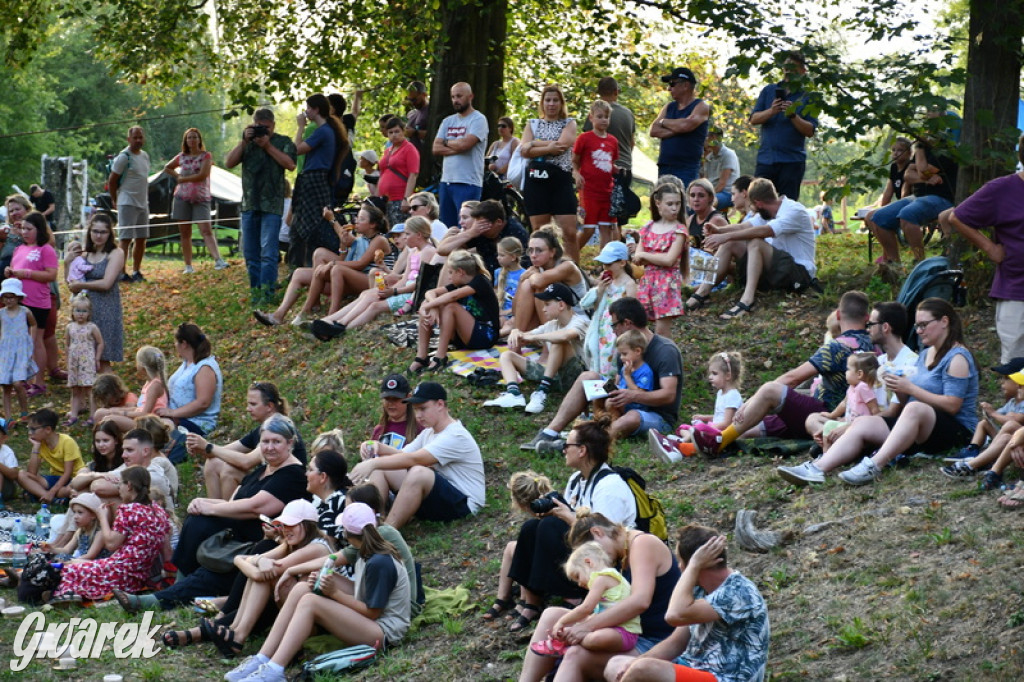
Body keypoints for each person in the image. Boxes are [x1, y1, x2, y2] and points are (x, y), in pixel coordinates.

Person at [114, 414, 309, 613]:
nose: (269, 447)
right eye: (265, 442)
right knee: (198, 522)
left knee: (209, 567)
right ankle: (175, 585)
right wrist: (202, 502)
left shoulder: (293, 474)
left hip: (259, 542)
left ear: (290, 443)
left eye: (276, 442)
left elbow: (255, 507)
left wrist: (211, 508)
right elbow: (233, 502)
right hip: (235, 535)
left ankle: (159, 598)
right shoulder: (264, 469)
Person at [792, 298, 979, 486]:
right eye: (917, 326)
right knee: (864, 422)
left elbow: (953, 405)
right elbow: (908, 400)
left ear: (944, 322)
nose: (919, 331)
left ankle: (874, 464)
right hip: (923, 428)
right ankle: (817, 468)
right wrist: (899, 389)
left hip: (957, 431)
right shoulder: (925, 354)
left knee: (915, 408)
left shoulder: (957, 357)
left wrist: (910, 388)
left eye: (924, 325)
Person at [222, 502, 411, 682]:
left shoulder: (379, 562)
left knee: (310, 602)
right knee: (303, 588)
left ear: (346, 532)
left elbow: (373, 612)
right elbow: (330, 563)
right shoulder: (363, 548)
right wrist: (309, 578)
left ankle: (275, 669)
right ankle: (262, 658)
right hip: (371, 620)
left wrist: (334, 593)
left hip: (385, 632)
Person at [694, 291, 873, 458]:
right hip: (856, 411)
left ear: (839, 316)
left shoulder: (837, 346)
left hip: (829, 413)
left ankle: (720, 441)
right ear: (866, 318)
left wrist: (749, 402)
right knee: (759, 420)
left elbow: (792, 379)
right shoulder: (874, 345)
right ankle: (694, 443)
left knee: (771, 391)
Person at [504, 418, 637, 634]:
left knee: (549, 527)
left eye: (567, 445)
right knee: (532, 527)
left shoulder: (609, 486)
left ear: (582, 450)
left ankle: (573, 597)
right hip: (584, 548)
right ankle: (532, 600)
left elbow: (607, 539)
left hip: (611, 559)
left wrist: (568, 517)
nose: (563, 449)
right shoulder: (577, 479)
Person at [518, 509, 681, 681]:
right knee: (551, 615)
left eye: (592, 550)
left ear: (598, 532)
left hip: (655, 640)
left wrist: (587, 627)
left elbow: (639, 601)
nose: (595, 559)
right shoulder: (618, 555)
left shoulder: (642, 543)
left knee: (576, 654)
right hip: (627, 630)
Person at [165, 499, 330, 657]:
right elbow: (242, 560)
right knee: (264, 570)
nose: (285, 529)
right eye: (283, 524)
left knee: (268, 576)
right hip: (292, 609)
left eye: (291, 524)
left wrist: (257, 563)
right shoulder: (291, 544)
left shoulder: (316, 547)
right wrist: (258, 560)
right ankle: (235, 631)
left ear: (308, 525)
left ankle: (233, 633)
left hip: (312, 621)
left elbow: (260, 572)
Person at [604, 525, 770, 682]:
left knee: (643, 669)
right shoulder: (700, 589)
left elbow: (673, 615)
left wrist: (694, 565)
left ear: (701, 562)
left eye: (681, 561)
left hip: (726, 677)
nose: (679, 566)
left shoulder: (738, 591)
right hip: (693, 666)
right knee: (617, 664)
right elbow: (676, 642)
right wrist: (634, 663)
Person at [522, 297, 682, 451]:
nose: (613, 331)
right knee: (588, 377)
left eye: (614, 326)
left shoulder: (665, 350)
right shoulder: (625, 349)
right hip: (626, 405)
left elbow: (668, 395)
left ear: (627, 323)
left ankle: (579, 446)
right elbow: (620, 382)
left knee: (633, 416)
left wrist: (633, 396)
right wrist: (603, 394)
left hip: (657, 415)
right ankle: (549, 433)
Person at [349, 381, 485, 530]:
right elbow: (403, 454)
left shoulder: (455, 435)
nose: (418, 416)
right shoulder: (429, 432)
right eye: (415, 410)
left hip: (464, 504)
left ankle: (386, 533)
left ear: (440, 405)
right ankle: (369, 524)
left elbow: (414, 459)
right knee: (383, 468)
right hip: (439, 498)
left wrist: (372, 463)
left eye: (423, 409)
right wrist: (378, 447)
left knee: (418, 472)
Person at [941, 135, 1024, 363]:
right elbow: (957, 217)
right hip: (1017, 288)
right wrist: (990, 248)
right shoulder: (1003, 189)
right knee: (1017, 364)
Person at [686, 177, 816, 321]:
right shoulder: (767, 212)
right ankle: (701, 293)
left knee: (756, 242)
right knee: (730, 243)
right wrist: (719, 230)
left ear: (758, 203)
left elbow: (765, 231)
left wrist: (727, 236)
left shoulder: (794, 211)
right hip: (775, 272)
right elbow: (744, 226)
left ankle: (747, 300)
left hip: (799, 274)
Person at [50, 467, 171, 605]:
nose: (118, 489)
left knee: (66, 570)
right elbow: (167, 552)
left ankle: (65, 595)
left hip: (120, 573)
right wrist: (168, 579)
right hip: (139, 578)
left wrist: (102, 517)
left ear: (129, 486)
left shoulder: (129, 510)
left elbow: (112, 544)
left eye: (120, 484)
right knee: (74, 564)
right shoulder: (159, 511)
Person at [310, 216, 437, 339]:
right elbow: (404, 279)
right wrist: (388, 292)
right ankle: (330, 321)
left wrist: (394, 291)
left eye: (407, 234)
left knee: (374, 305)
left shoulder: (428, 252)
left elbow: (421, 283)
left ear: (419, 235)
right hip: (404, 289)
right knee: (368, 293)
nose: (405, 237)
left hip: (413, 295)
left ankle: (341, 327)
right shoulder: (413, 252)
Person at [224, 108, 298, 307]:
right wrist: (244, 141)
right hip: (249, 203)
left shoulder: (283, 142)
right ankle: (256, 292)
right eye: (258, 127)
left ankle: (268, 292)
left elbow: (290, 165)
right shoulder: (247, 142)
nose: (262, 131)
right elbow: (229, 162)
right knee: (251, 253)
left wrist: (267, 146)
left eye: (265, 127)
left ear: (273, 125)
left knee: (269, 252)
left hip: (272, 205)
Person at [186, 381, 305, 500]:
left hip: (285, 488)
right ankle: (213, 511)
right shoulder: (261, 430)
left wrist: (208, 446)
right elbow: (220, 452)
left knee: (229, 471)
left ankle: (227, 515)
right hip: (266, 482)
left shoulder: (280, 429)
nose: (248, 409)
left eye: (253, 404)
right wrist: (198, 446)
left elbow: (246, 462)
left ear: (269, 406)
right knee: (214, 462)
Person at [484, 282, 588, 414]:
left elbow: (565, 335)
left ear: (561, 305)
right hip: (555, 376)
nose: (543, 309)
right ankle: (514, 394)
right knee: (507, 356)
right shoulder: (551, 325)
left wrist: (533, 338)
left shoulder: (579, 322)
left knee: (558, 342)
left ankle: (542, 391)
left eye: (547, 304)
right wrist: (516, 332)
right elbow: (525, 336)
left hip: (577, 378)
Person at [530, 540, 643, 657]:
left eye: (578, 576)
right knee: (580, 630)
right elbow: (597, 614)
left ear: (588, 562)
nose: (579, 584)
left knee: (593, 639)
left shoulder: (602, 578)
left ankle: (565, 644)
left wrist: (562, 621)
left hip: (624, 632)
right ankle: (564, 641)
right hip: (612, 629)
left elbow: (586, 608)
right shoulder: (607, 579)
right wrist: (572, 628)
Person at [408, 250, 500, 374]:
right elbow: (430, 293)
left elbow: (452, 297)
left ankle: (440, 357)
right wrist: (432, 306)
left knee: (450, 306)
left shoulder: (480, 281)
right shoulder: (459, 283)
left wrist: (429, 305)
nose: (449, 277)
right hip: (464, 337)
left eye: (450, 272)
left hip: (485, 336)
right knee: (429, 304)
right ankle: (422, 356)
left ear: (460, 272)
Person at [482, 470, 554, 622]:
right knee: (511, 547)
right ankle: (503, 597)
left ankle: (525, 600)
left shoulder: (546, 518)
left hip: (550, 572)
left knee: (520, 549)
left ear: (519, 502)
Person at [939, 358, 1024, 488]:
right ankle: (975, 455)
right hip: (1012, 441)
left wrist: (994, 413)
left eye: (1007, 379)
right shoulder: (1012, 402)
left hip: (1016, 442)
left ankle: (977, 463)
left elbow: (1015, 421)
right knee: (987, 424)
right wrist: (990, 414)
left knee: (1011, 425)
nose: (1002, 382)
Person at [650, 351, 746, 464]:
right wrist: (705, 418)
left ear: (728, 376)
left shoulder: (732, 395)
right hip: (714, 427)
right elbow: (719, 416)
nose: (710, 377)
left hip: (721, 432)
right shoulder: (721, 393)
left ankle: (679, 444)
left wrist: (705, 427)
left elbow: (726, 423)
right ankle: (685, 439)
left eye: (714, 374)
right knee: (683, 427)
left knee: (697, 429)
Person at [520, 84, 580, 261]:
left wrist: (534, 144)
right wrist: (546, 145)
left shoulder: (568, 123)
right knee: (540, 232)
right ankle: (542, 268)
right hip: (536, 181)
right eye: (548, 100)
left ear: (561, 103)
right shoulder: (532, 124)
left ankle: (575, 272)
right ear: (542, 103)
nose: (551, 104)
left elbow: (560, 147)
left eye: (555, 100)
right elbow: (523, 150)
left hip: (560, 180)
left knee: (569, 231)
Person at [874, 135, 958, 262]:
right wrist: (927, 178)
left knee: (907, 214)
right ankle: (894, 265)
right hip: (918, 197)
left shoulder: (946, 150)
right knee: (878, 217)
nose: (925, 135)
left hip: (941, 198)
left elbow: (923, 170)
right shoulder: (924, 151)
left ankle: (919, 261)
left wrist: (918, 149)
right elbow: (908, 175)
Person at [288, 93, 349, 267]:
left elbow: (297, 149)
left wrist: (300, 127)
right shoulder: (328, 130)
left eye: (308, 108)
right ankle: (299, 268)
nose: (306, 112)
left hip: (314, 180)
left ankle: (309, 266)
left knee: (309, 225)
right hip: (314, 180)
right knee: (300, 225)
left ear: (316, 110)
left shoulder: (323, 131)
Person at [749, 51, 818, 202]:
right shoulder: (768, 91)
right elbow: (754, 119)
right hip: (766, 160)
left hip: (792, 161)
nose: (788, 71)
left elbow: (810, 131)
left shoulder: (808, 96)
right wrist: (772, 111)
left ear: (802, 71)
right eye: (786, 67)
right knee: (759, 203)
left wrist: (793, 115)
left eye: (793, 68)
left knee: (787, 206)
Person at [5, 211, 57, 394]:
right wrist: (10, 272)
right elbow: (16, 269)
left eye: (29, 228)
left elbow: (51, 275)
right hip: (19, 303)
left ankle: (39, 382)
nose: (25, 232)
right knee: (22, 342)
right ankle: (24, 379)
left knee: (36, 342)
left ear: (39, 229)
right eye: (22, 228)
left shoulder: (46, 249)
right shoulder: (19, 249)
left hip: (37, 303)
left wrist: (27, 274)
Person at [156, 323, 223, 464]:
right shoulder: (187, 363)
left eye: (176, 342)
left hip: (196, 422)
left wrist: (173, 413)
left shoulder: (204, 367)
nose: (175, 345)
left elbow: (203, 402)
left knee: (156, 427)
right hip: (176, 416)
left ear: (184, 344)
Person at [164, 127, 228, 273]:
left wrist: (183, 178)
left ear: (199, 140)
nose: (192, 140)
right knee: (185, 232)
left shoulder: (206, 156)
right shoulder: (181, 156)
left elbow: (203, 175)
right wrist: (176, 176)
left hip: (201, 198)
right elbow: (167, 167)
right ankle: (188, 265)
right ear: (185, 141)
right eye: (189, 138)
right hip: (182, 197)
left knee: (206, 230)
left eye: (195, 137)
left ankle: (218, 260)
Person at [68, 212, 124, 373]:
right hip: (85, 309)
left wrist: (82, 284)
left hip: (106, 308)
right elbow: (72, 282)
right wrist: (67, 263)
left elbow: (107, 283)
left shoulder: (115, 253)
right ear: (89, 232)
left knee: (102, 359)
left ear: (110, 233)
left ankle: (113, 395)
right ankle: (91, 394)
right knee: (86, 355)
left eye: (103, 232)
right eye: (95, 231)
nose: (98, 236)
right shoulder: (85, 254)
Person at [635, 183, 689, 337]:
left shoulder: (679, 230)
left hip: (667, 285)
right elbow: (637, 258)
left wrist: (646, 256)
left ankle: (669, 360)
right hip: (647, 283)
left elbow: (669, 260)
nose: (674, 208)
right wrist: (647, 257)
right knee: (640, 328)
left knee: (661, 332)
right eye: (670, 204)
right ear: (658, 203)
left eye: (678, 204)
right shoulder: (647, 228)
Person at [433, 82, 488, 228]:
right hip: (447, 182)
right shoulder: (447, 121)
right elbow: (436, 148)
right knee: (447, 228)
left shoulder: (478, 119)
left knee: (466, 227)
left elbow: (466, 145)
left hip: (468, 182)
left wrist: (446, 142)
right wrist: (458, 146)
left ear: (470, 97)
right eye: (452, 97)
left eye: (459, 96)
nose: (455, 100)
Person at [511, 226, 587, 332]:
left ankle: (549, 344)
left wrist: (532, 274)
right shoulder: (536, 270)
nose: (533, 255)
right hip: (553, 319)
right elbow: (515, 311)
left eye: (539, 250)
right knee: (527, 284)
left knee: (539, 287)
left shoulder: (567, 266)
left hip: (577, 321)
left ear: (552, 252)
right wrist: (521, 280)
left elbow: (538, 282)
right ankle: (516, 340)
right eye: (530, 250)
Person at [581, 240, 637, 378]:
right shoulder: (607, 283)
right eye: (603, 264)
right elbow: (595, 307)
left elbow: (632, 311)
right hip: (603, 329)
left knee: (611, 363)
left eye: (609, 264)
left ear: (622, 263)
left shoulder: (629, 284)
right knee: (598, 361)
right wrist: (599, 290)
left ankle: (610, 389)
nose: (605, 267)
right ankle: (598, 389)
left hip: (617, 330)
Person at [649, 67, 711, 188]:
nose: (669, 89)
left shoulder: (701, 106)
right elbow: (654, 130)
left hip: (687, 168)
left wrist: (664, 122)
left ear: (686, 85)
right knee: (662, 203)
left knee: (683, 205)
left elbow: (686, 125)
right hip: (664, 167)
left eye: (672, 84)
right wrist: (676, 129)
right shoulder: (669, 107)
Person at [573, 100, 620, 249]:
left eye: (606, 117)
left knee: (606, 228)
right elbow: (574, 161)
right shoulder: (584, 138)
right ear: (591, 117)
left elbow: (608, 163)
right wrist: (576, 173)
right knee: (589, 228)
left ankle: (604, 265)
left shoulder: (613, 141)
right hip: (589, 190)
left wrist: (616, 169)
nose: (604, 120)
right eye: (599, 116)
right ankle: (571, 255)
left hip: (607, 191)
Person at [91, 345, 167, 432]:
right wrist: (116, 410)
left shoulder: (155, 386)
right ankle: (98, 441)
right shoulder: (149, 383)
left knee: (109, 419)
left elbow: (144, 414)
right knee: (100, 413)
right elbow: (139, 408)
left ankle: (110, 442)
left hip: (148, 424)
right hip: (140, 419)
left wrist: (121, 413)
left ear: (142, 367)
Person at [108, 126, 150, 282]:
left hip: (143, 202)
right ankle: (121, 272)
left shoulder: (145, 156)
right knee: (125, 238)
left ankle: (137, 271)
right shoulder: (124, 157)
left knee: (141, 237)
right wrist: (115, 199)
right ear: (129, 139)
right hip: (127, 201)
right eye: (135, 138)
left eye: (140, 137)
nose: (138, 140)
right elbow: (112, 180)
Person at [16, 408, 85, 503]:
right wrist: (35, 448)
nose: (29, 433)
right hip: (55, 478)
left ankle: (42, 495)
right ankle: (52, 499)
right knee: (21, 475)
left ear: (48, 429)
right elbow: (31, 473)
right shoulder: (41, 443)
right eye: (29, 429)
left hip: (73, 479)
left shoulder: (67, 441)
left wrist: (52, 492)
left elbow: (67, 473)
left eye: (33, 429)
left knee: (67, 490)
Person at [0, 278, 37, 420]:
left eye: (12, 297)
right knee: (6, 385)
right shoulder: (1, 313)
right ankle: (9, 417)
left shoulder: (25, 312)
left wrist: (30, 341)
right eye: (5, 297)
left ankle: (24, 412)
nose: (8, 300)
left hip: (21, 351)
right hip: (5, 352)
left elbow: (34, 324)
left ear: (19, 297)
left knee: (18, 383)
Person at [64, 295, 104, 424]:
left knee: (89, 388)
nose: (81, 314)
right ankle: (74, 415)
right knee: (75, 389)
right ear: (72, 312)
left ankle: (93, 416)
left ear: (89, 313)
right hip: (74, 362)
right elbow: (67, 344)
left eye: (84, 311)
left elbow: (100, 343)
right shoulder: (70, 327)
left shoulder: (92, 327)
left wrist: (97, 358)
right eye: (78, 311)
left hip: (87, 361)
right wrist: (67, 359)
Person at [40, 492, 109, 561]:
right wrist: (51, 549)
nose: (75, 517)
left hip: (93, 565)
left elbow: (90, 556)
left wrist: (70, 562)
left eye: (80, 512)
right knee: (54, 557)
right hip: (80, 561)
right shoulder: (80, 531)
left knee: (61, 559)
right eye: (74, 512)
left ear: (93, 515)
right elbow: (66, 550)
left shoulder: (99, 533)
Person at [378, 116, 420, 226]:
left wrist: (406, 198)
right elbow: (382, 174)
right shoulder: (388, 150)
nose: (394, 135)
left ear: (403, 131)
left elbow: (413, 174)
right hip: (386, 200)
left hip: (400, 199)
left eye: (397, 131)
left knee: (400, 232)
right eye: (390, 132)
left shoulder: (409, 149)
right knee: (390, 233)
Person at [686, 178, 729, 253]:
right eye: (692, 195)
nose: (696, 199)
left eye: (701, 195)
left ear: (710, 197)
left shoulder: (716, 220)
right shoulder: (690, 219)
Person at [703, 127, 741, 210]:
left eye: (707, 137)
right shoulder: (709, 157)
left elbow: (722, 184)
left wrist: (708, 195)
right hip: (713, 191)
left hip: (727, 193)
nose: (705, 140)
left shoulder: (728, 154)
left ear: (714, 138)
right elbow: (705, 181)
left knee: (706, 202)